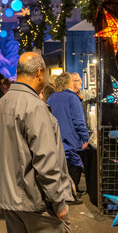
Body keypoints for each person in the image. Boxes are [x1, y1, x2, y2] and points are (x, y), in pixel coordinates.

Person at [0, 52, 81, 233]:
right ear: (39, 72)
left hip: (10, 199)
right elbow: (46, 162)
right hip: (38, 201)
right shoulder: (35, 107)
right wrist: (59, 202)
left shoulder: (1, 104)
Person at [48, 72, 89, 200]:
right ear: (69, 82)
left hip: (56, 140)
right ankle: (71, 195)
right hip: (72, 141)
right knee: (74, 169)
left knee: (62, 170)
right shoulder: (72, 98)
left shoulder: (51, 98)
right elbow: (78, 121)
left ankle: (66, 194)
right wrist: (85, 137)